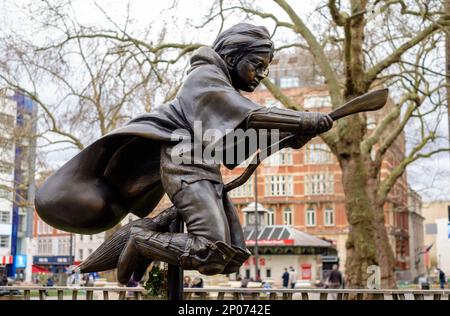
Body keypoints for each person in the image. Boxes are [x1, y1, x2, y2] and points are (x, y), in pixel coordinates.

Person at [36, 23, 333, 283]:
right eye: (257, 64)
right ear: (231, 57)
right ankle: (141, 240)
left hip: (204, 167)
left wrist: (288, 138)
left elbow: (232, 150)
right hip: (185, 163)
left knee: (230, 255)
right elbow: (250, 115)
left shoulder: (221, 94)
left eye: (266, 68)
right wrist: (303, 119)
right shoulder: (204, 78)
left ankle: (146, 240)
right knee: (208, 248)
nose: (262, 74)